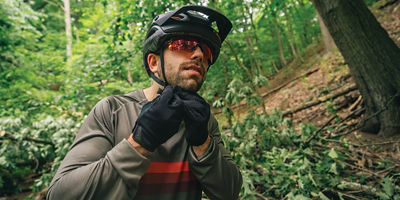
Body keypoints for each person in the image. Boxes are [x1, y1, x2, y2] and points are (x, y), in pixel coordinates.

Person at [47, 5, 242, 200]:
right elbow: (59, 195)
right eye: (184, 44)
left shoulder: (203, 120)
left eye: (206, 51)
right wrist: (140, 141)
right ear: (154, 63)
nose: (199, 55)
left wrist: (202, 143)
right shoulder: (112, 111)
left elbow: (229, 193)